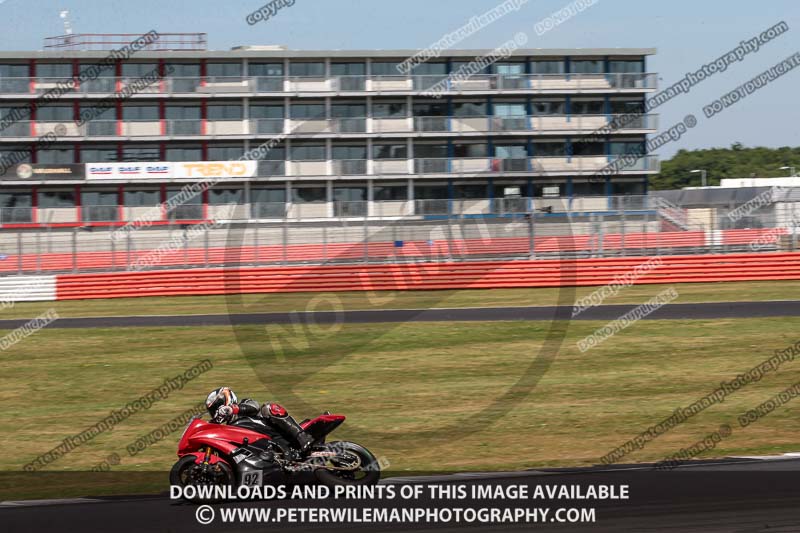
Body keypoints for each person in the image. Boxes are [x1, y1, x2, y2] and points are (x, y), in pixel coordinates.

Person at [205, 387, 314, 453]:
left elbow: (255, 407)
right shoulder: (228, 429)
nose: (216, 413)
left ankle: (303, 437)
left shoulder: (244, 403)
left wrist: (232, 409)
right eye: (213, 411)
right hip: (265, 451)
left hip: (280, 435)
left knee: (268, 408)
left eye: (216, 408)